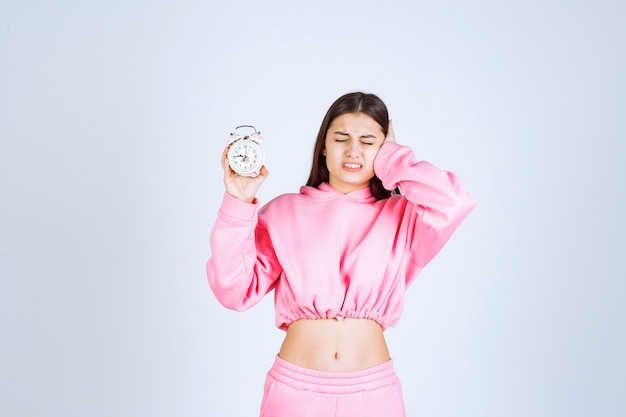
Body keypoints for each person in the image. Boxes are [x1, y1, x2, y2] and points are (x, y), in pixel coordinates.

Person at [206, 92, 476, 417]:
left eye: (368, 141)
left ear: (383, 147)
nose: (353, 151)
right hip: (294, 393)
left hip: (373, 395)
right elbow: (234, 291)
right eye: (341, 138)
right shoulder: (283, 212)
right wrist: (237, 201)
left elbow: (454, 202)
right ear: (323, 145)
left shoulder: (405, 216)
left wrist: (393, 158)